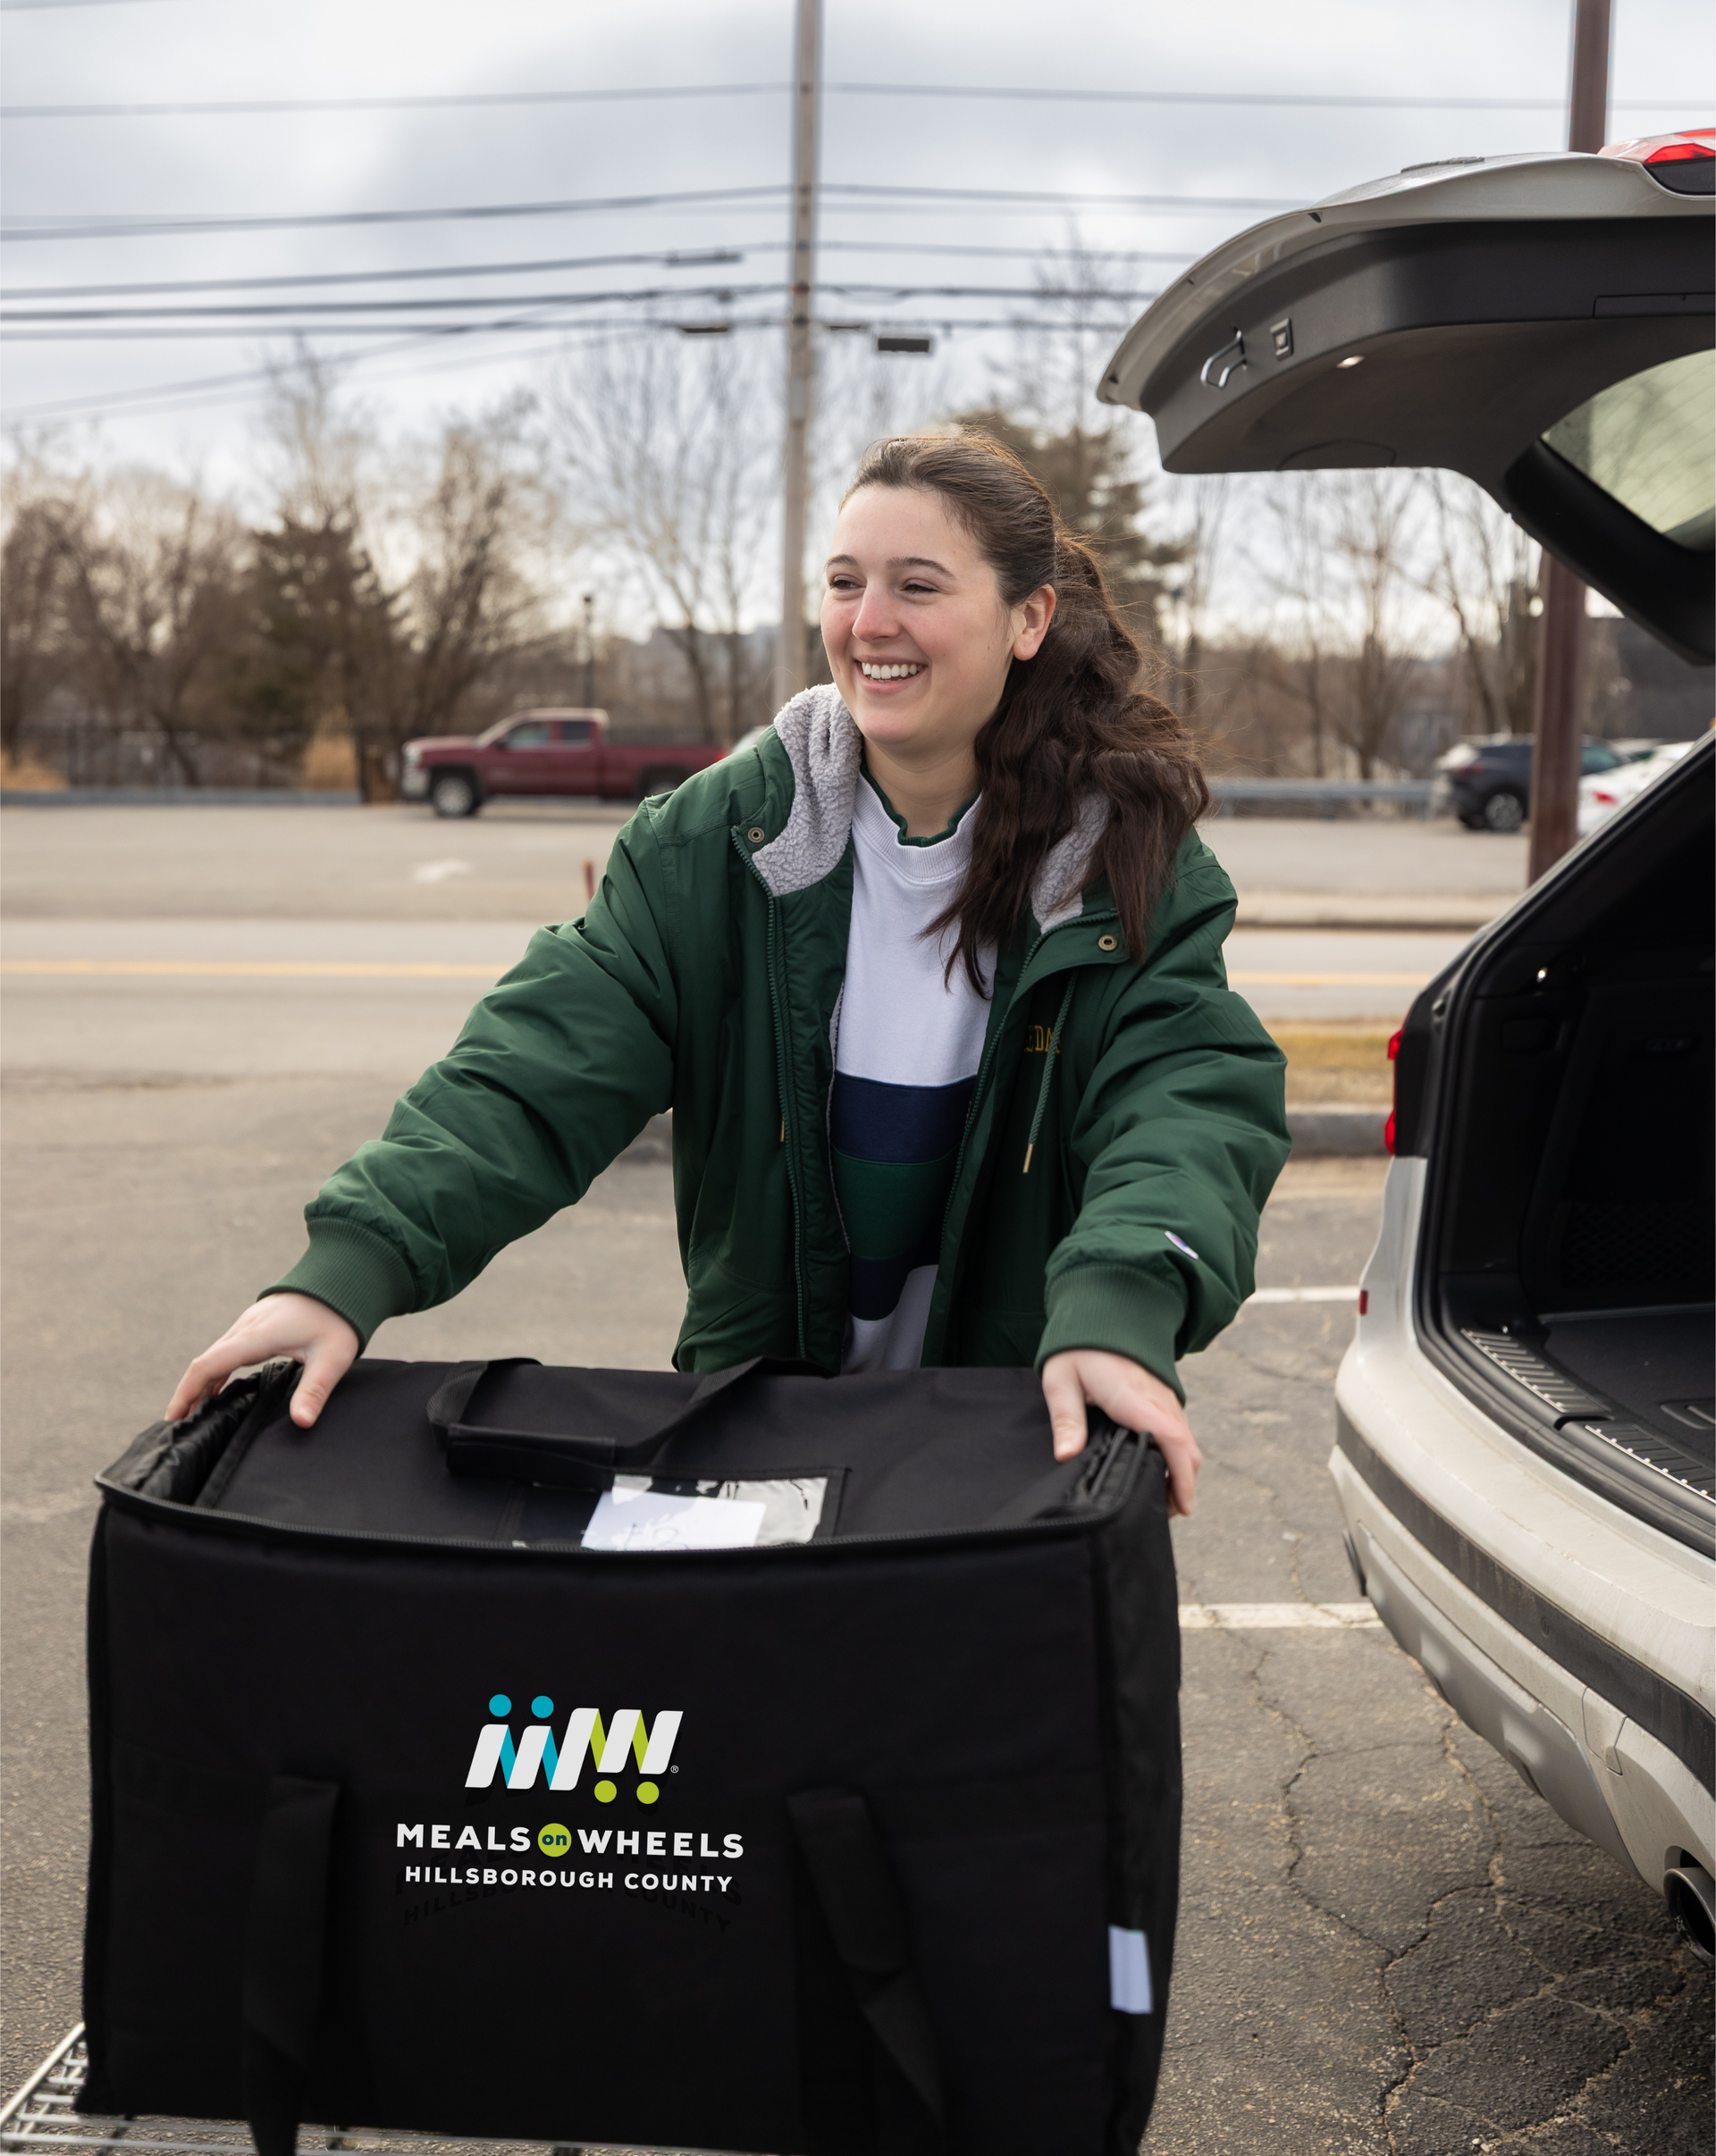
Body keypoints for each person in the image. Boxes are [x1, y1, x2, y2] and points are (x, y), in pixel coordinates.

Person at [172, 427, 1289, 1515]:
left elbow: (1186, 1104)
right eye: (845, 582)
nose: (870, 623)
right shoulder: (717, 844)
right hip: (754, 1440)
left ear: (1028, 617)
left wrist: (1115, 1310)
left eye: (918, 585)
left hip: (1008, 1449)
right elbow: (534, 1069)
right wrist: (345, 1275)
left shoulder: (1124, 864)